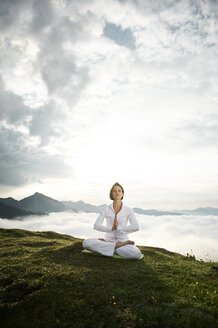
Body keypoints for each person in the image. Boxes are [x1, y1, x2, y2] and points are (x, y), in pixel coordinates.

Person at [82, 182, 142, 259]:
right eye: (114, 191)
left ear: (122, 194)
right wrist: (111, 229)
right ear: (111, 194)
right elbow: (96, 226)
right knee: (86, 243)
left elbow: (136, 226)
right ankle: (116, 247)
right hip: (108, 240)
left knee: (136, 253)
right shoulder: (106, 209)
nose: (117, 192)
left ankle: (111, 248)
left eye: (119, 191)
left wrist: (119, 229)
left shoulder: (128, 210)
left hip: (123, 242)